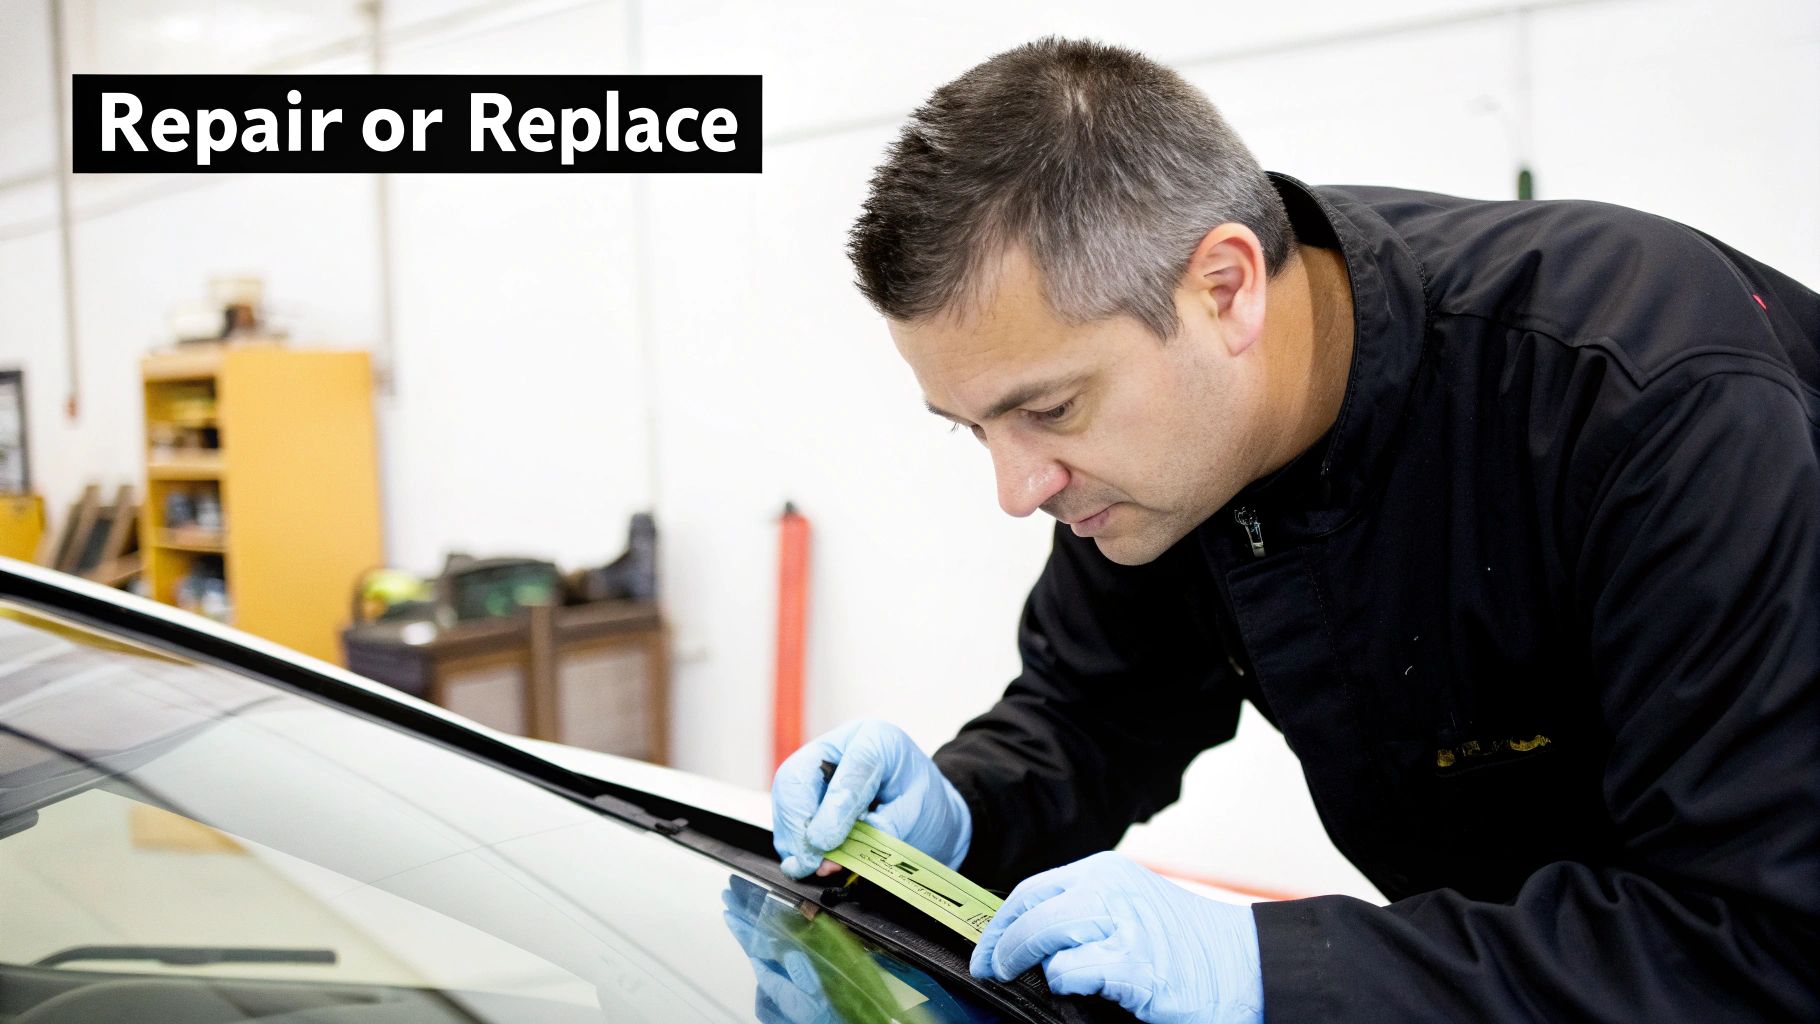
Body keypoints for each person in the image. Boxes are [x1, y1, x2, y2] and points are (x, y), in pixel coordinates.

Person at [771, 37, 1820, 1023]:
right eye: (972, 430)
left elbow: (1756, 941)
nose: (1016, 485)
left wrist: (1277, 970)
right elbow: (1093, 710)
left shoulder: (1640, 399)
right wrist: (960, 812)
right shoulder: (1175, 447)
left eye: (1048, 409)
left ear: (1224, 289)